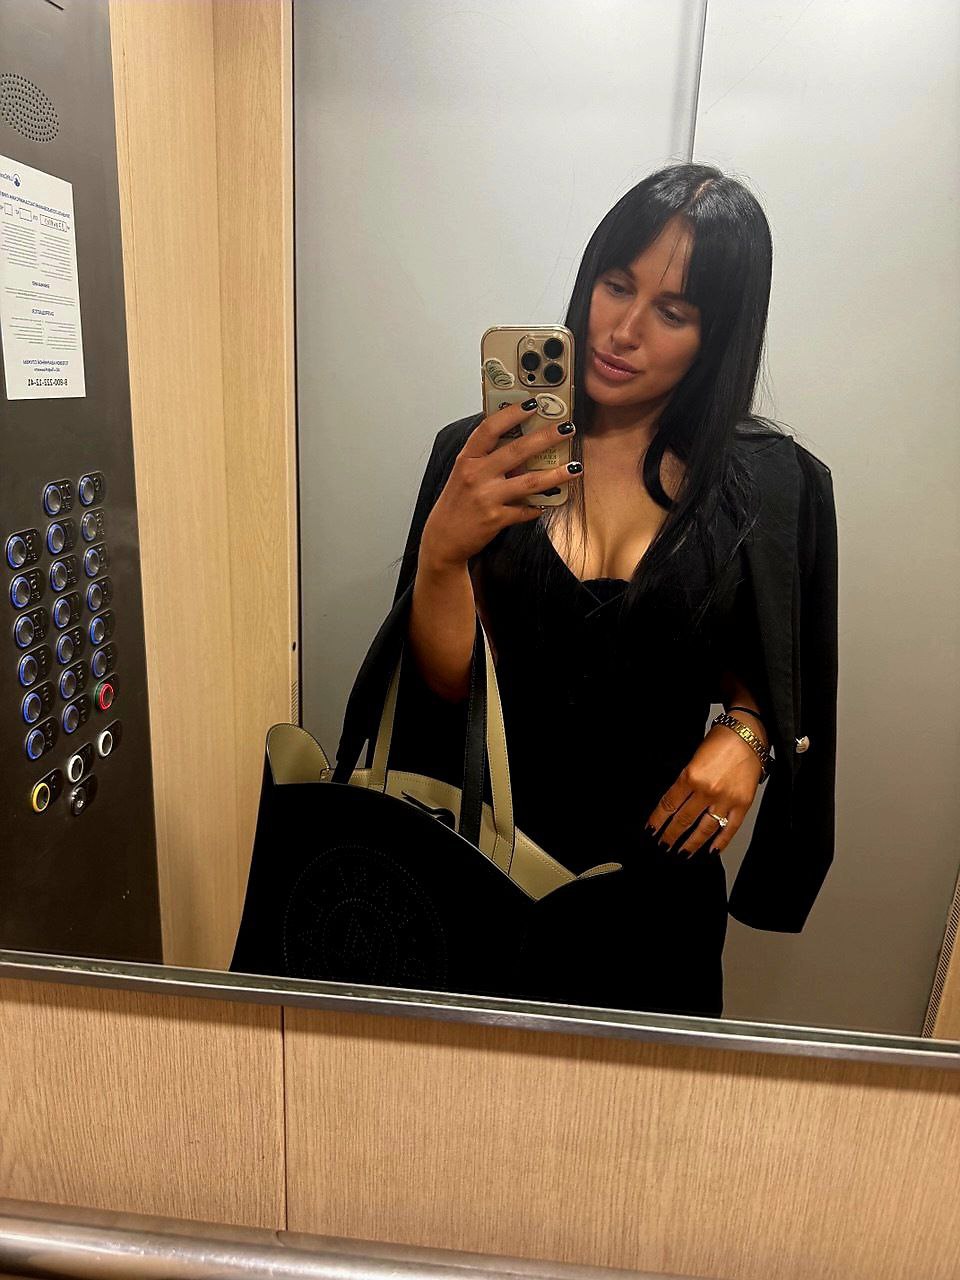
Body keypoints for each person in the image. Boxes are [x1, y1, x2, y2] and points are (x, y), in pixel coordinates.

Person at [381, 163, 838, 1018]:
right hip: (480, 874)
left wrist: (748, 733)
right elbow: (447, 689)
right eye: (616, 285)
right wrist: (441, 555)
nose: (623, 331)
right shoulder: (481, 456)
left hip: (655, 904)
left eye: (673, 312)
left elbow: (781, 662)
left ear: (716, 335)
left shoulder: (772, 487)